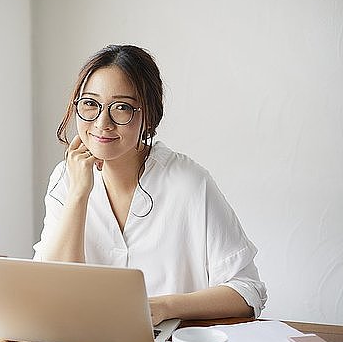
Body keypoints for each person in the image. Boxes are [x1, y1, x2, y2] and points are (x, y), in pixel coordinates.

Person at [32, 44, 267, 325]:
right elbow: (54, 293)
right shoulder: (66, 178)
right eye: (90, 104)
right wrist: (79, 194)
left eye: (122, 108)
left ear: (149, 115)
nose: (102, 123)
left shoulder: (189, 183)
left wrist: (164, 306)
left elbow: (247, 292)